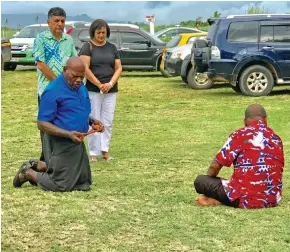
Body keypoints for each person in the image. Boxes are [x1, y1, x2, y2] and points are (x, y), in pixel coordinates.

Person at [13, 57, 104, 192]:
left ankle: (40, 165)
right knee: (61, 184)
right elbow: (42, 123)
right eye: (75, 76)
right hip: (59, 140)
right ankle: (29, 173)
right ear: (65, 70)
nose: (79, 80)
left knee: (82, 182)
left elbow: (75, 110)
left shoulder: (80, 86)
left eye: (81, 76)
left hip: (76, 140)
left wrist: (92, 121)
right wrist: (67, 134)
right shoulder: (53, 90)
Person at [194, 104, 284, 209]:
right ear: (266, 119)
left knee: (201, 181)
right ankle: (220, 199)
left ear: (244, 121)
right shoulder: (276, 138)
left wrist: (210, 185)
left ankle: (217, 199)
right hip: (273, 199)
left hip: (244, 198)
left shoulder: (240, 134)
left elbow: (215, 166)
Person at [33, 7, 77, 162]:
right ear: (48, 22)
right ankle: (45, 162)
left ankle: (53, 161)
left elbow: (74, 62)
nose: (60, 24)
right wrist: (59, 83)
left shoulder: (69, 40)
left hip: (66, 92)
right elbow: (41, 64)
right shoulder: (40, 39)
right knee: (47, 127)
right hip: (47, 92)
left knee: (63, 125)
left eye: (62, 21)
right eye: (56, 21)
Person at [79, 19, 122, 162]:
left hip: (111, 90)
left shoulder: (112, 48)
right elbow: (85, 69)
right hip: (93, 90)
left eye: (103, 32)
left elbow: (118, 68)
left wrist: (110, 83)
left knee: (108, 121)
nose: (101, 35)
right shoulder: (88, 47)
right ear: (93, 32)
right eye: (98, 32)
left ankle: (105, 151)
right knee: (94, 120)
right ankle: (93, 152)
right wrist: (99, 84)